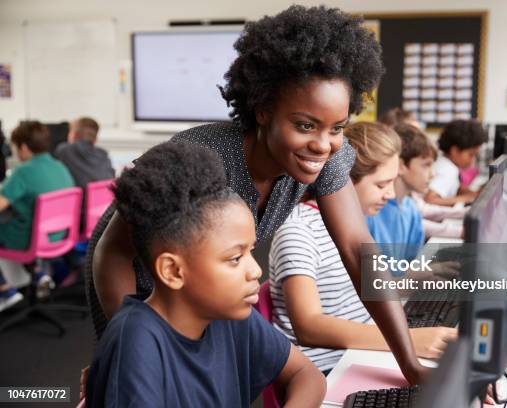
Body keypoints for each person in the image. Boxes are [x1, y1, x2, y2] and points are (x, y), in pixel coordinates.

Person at [88, 5, 428, 385]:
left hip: (206, 293)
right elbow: (112, 252)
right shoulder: (207, 156)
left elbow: (357, 247)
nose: (322, 144)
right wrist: (129, 343)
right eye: (304, 125)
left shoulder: (324, 155)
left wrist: (409, 362)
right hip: (136, 288)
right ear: (263, 110)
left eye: (337, 127)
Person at [86, 142, 325, 407]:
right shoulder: (136, 344)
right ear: (173, 271)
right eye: (235, 258)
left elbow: (307, 375)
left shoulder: (227, 312)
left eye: (250, 252)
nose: (256, 270)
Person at [269, 122, 457, 374]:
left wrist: (408, 283)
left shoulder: (357, 223)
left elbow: (352, 294)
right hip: (326, 370)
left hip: (357, 352)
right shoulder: (299, 230)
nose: (390, 194)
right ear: (345, 180)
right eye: (381, 185)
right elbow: (309, 325)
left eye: (393, 182)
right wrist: (410, 339)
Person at [0, 121, 75, 311]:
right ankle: (38, 273)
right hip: (59, 237)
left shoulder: (23, 172)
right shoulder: (60, 166)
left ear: (24, 147)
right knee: (23, 218)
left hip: (32, 240)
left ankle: (5, 291)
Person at [389, 123, 467, 239]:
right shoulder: (381, 211)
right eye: (426, 165)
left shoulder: (408, 204)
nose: (432, 174)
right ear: (401, 166)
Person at [425, 119, 488, 206]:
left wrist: (472, 193)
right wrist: (467, 198)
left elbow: (452, 186)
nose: (473, 160)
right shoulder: (448, 170)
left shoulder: (443, 162)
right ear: (455, 151)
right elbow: (430, 200)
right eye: (471, 154)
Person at [54, 117, 114, 191]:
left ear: (74, 135)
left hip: (79, 201)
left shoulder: (64, 151)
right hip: (102, 201)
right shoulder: (105, 157)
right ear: (95, 140)